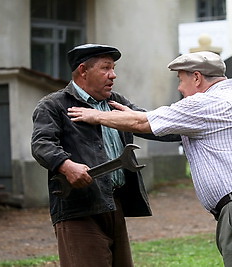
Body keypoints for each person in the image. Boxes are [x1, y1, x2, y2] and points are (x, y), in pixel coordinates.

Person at [67, 51, 232, 267]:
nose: (180, 89)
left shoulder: (204, 103)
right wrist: (132, 116)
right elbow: (160, 125)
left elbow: (143, 123)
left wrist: (96, 116)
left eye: (181, 80)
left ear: (197, 78)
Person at [31, 44, 180, 267]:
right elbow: (41, 144)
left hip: (114, 203)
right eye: (106, 68)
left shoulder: (116, 103)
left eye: (113, 68)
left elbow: (151, 124)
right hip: (78, 209)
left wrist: (192, 129)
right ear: (83, 70)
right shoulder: (54, 105)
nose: (113, 75)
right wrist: (66, 165)